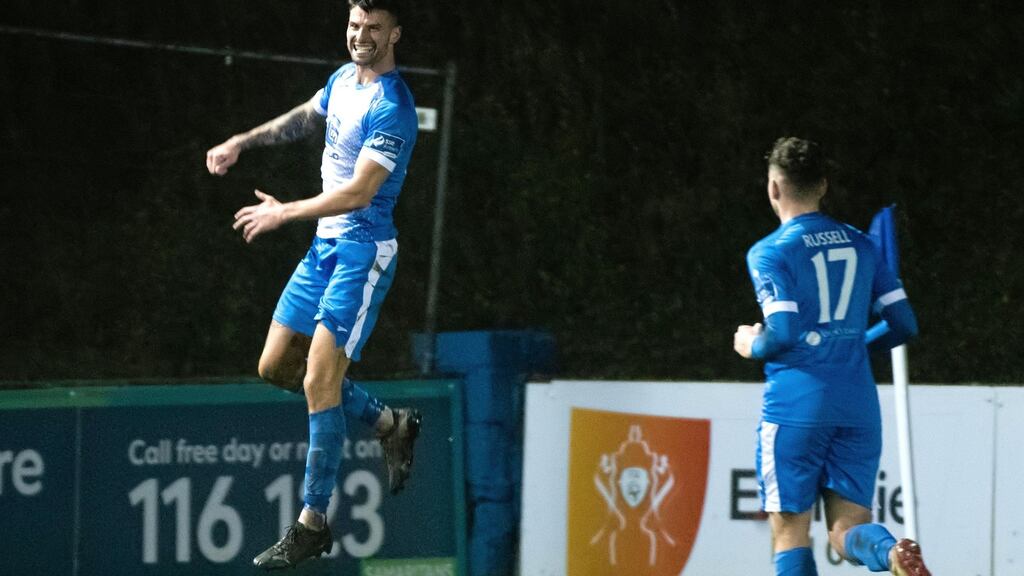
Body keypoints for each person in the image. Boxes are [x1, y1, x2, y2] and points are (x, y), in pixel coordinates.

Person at [205, 0, 420, 569]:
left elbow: (357, 194)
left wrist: (284, 213)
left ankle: (312, 522)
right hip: (323, 248)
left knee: (320, 376)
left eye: (374, 27)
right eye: (355, 25)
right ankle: (388, 423)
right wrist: (242, 141)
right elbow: (305, 115)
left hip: (361, 252)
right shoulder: (343, 81)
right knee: (275, 367)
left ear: (395, 33)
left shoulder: (393, 106)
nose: (361, 35)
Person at [733, 137, 930, 576]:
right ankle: (894, 554)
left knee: (790, 533)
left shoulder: (770, 252)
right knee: (847, 532)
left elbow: (781, 334)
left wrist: (750, 344)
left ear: (773, 188)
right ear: (823, 186)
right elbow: (903, 324)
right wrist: (853, 347)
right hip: (856, 403)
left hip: (796, 404)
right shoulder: (863, 245)